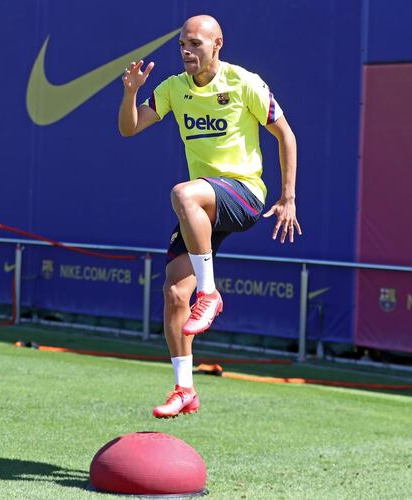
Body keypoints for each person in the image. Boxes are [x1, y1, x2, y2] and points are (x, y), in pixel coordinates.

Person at [118, 15, 301, 418]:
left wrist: (288, 197)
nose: (187, 51)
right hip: (203, 207)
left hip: (244, 193)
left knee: (183, 192)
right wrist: (130, 93)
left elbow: (285, 134)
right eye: (183, 44)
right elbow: (129, 129)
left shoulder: (244, 82)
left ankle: (210, 292)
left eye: (196, 44)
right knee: (173, 295)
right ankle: (185, 389)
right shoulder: (173, 89)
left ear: (218, 44)